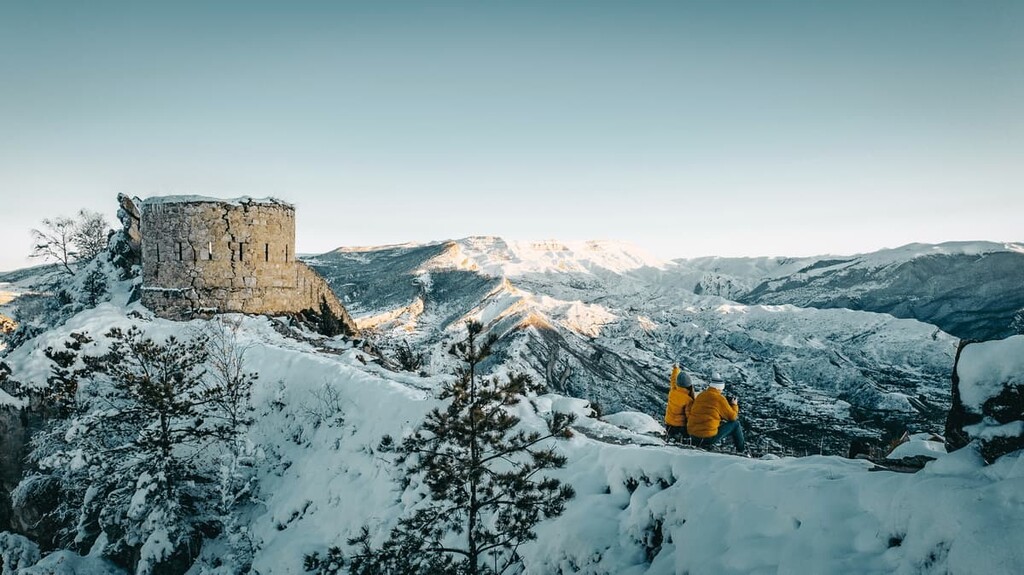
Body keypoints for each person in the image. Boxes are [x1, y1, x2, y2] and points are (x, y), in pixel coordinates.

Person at [687, 374, 746, 452]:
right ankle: (742, 451)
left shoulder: (701, 395)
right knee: (736, 424)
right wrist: (734, 405)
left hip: (693, 435)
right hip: (707, 438)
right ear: (719, 388)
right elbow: (733, 417)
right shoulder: (719, 399)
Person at [663, 363, 695, 442]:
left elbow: (673, 379)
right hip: (680, 427)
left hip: (668, 424)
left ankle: (671, 436)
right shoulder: (688, 400)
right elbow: (689, 417)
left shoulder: (673, 391)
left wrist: (675, 369)